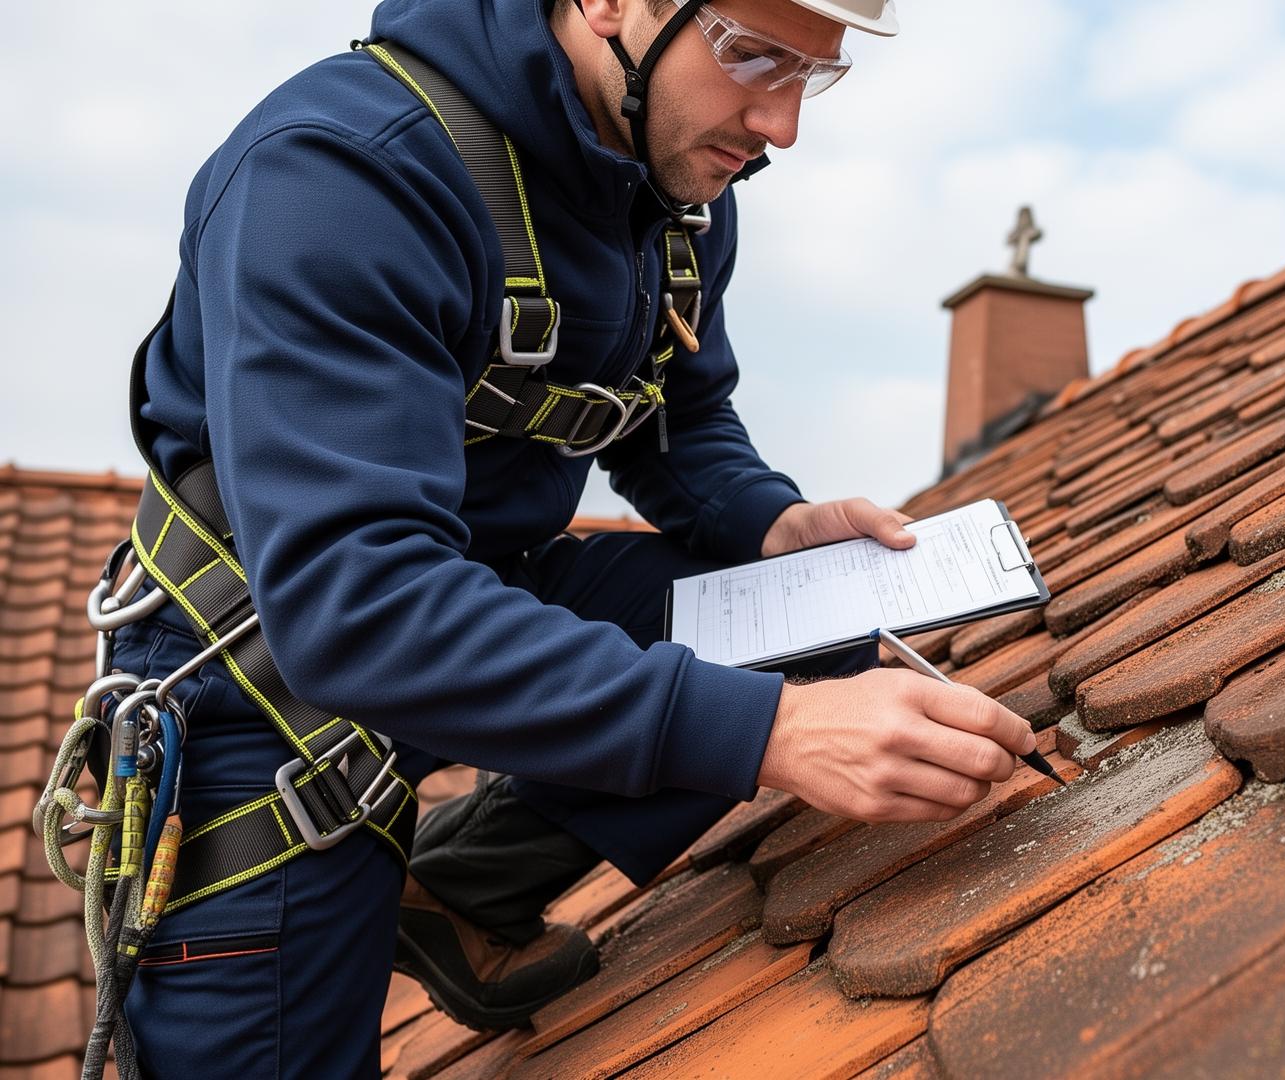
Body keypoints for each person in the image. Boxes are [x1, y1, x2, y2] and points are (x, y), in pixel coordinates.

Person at [114, 0, 1037, 1073]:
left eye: (811, 75)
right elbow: (356, 606)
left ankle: (465, 887)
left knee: (813, 625)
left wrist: (769, 519)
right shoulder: (338, 175)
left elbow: (674, 415)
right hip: (265, 670)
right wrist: (771, 734)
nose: (780, 126)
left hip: (483, 595)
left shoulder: (676, 181)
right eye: (751, 57)